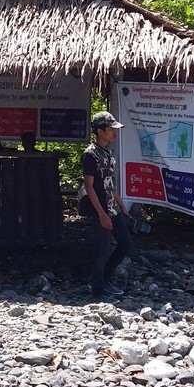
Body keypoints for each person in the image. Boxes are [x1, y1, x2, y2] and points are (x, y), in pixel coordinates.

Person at [81, 111, 131, 301]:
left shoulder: (108, 153)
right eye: (111, 129)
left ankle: (106, 280)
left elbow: (111, 183)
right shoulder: (90, 155)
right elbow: (89, 186)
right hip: (100, 210)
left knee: (125, 244)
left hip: (113, 209)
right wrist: (102, 214)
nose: (114, 133)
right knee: (102, 252)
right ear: (100, 131)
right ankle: (98, 292)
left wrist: (121, 206)